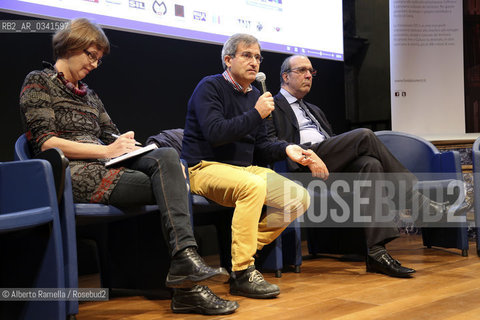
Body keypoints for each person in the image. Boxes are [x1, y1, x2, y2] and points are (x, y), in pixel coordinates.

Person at [19, 18, 237, 315]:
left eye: (99, 59)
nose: (95, 64)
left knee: (168, 158)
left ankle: (185, 260)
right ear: (71, 46)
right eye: (91, 56)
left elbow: (111, 133)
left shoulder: (90, 95)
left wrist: (127, 143)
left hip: (107, 166)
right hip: (75, 173)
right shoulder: (38, 81)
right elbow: (46, 143)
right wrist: (107, 149)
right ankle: (188, 285)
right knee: (172, 187)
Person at [267, 55, 456, 278]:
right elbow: (271, 144)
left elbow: (332, 141)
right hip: (300, 164)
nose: (309, 75)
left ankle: (376, 253)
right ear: (285, 77)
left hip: (327, 162)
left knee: (371, 164)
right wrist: (307, 155)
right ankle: (412, 199)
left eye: (311, 71)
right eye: (301, 70)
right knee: (365, 136)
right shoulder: (272, 105)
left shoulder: (314, 110)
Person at [181, 34, 312, 299]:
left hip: (242, 170)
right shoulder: (210, 87)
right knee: (252, 186)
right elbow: (216, 133)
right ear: (228, 60)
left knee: (298, 197)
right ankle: (242, 272)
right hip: (204, 167)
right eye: (247, 55)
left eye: (258, 57)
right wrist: (256, 113)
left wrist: (287, 148)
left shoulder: (256, 95)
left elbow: (262, 145)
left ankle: (242, 250)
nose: (255, 62)